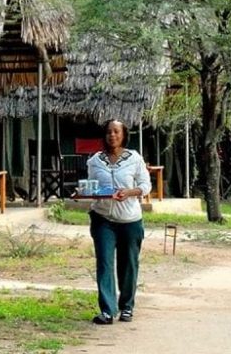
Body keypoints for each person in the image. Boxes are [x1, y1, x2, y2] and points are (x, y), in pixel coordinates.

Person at [86, 119, 151, 325]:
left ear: (123, 135)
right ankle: (107, 310)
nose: (111, 135)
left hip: (129, 220)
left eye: (116, 132)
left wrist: (130, 192)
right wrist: (87, 193)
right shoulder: (95, 160)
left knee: (128, 264)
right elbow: (91, 185)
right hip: (103, 218)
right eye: (108, 132)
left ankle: (127, 306)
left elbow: (145, 185)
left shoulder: (134, 158)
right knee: (104, 262)